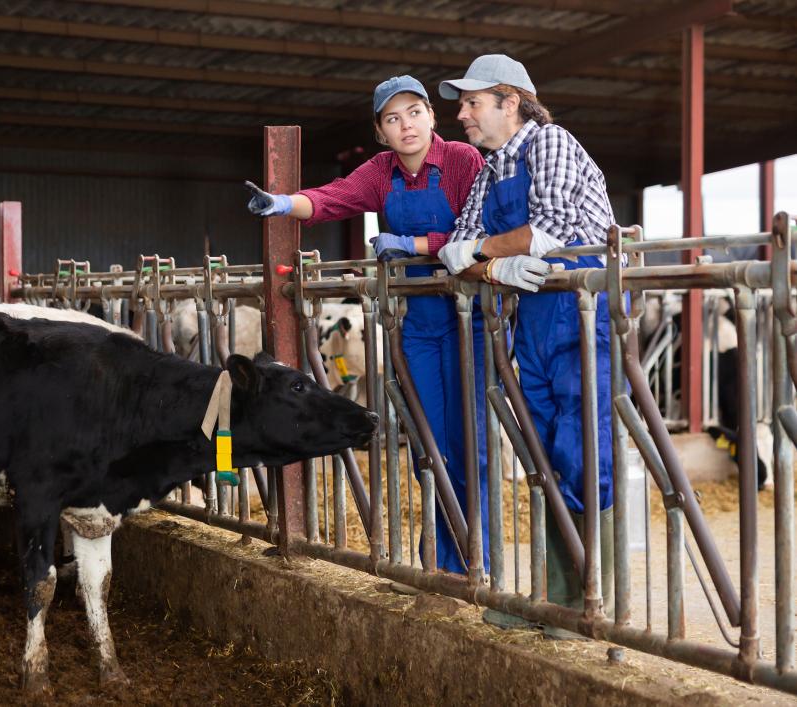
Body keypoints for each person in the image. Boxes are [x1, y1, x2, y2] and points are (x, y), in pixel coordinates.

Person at [245, 75, 548, 575]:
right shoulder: (381, 172)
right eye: (392, 118)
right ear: (381, 132)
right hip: (418, 325)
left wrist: (413, 246)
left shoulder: (461, 161)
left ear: (432, 115)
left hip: (470, 316)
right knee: (426, 443)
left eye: (413, 113)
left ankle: (479, 562)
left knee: (469, 443)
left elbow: (477, 231)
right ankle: (438, 562)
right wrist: (281, 203)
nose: (405, 125)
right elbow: (332, 198)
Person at [437, 54, 616, 634]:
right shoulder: (491, 172)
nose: (461, 115)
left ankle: (589, 600)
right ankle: (552, 595)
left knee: (582, 445)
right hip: (533, 314)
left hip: (581, 304)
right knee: (541, 451)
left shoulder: (551, 144)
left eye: (472, 103)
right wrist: (494, 271)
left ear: (510, 101)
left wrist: (483, 253)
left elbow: (550, 232)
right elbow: (453, 256)